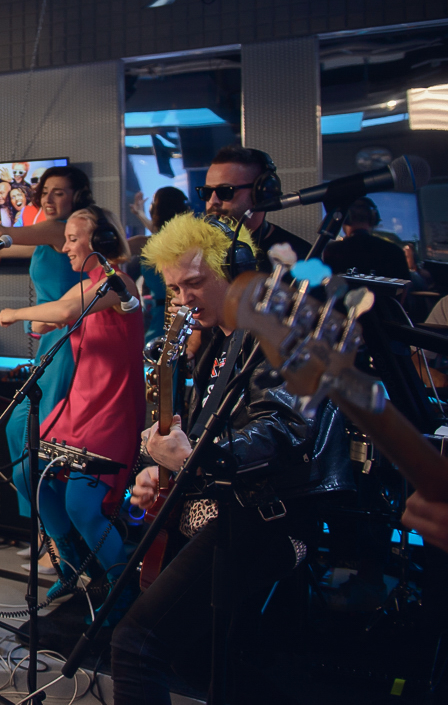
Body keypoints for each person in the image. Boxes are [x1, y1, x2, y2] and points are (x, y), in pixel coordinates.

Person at [112, 213, 352, 704]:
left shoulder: (277, 329)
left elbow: (281, 428)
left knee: (135, 644)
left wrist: (196, 458)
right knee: (193, 656)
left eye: (195, 283)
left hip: (272, 516)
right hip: (232, 506)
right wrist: (163, 467)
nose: (184, 298)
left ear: (238, 273)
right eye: (175, 288)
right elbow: (203, 435)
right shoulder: (218, 341)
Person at [0, 205, 144, 609]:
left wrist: (14, 313)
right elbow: (51, 319)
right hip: (78, 406)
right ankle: (71, 563)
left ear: (101, 241)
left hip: (110, 410)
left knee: (82, 504)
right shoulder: (87, 284)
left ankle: (120, 591)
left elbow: (63, 311)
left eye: (73, 239)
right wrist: (42, 320)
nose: (64, 248)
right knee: (29, 474)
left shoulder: (115, 282)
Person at [0, 166, 87, 523]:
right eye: (46, 191)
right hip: (52, 341)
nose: (49, 198)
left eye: (59, 192)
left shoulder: (60, 229)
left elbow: (2, 233)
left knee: (34, 431)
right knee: (24, 431)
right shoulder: (51, 237)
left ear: (77, 196)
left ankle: (56, 531)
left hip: (68, 341)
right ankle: (48, 530)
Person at [199, 145, 310, 267]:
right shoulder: (193, 250)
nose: (213, 201)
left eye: (225, 191)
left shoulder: (301, 257)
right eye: (207, 192)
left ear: (261, 193)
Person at [128, 187, 192, 343]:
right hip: (183, 312)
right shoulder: (188, 242)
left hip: (161, 317)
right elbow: (161, 231)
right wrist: (140, 214)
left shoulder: (145, 244)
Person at [323, 197, 410, 281]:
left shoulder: (332, 251)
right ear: (373, 219)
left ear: (345, 220)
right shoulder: (394, 251)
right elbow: (405, 287)